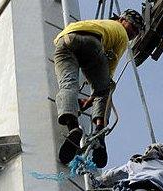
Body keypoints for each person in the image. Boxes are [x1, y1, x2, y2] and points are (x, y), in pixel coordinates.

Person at [53, 9, 144, 168]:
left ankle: (73, 127)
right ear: (122, 20)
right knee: (107, 89)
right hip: (91, 43)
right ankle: (99, 133)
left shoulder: (101, 24)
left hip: (65, 40)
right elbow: (106, 78)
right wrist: (96, 96)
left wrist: (89, 100)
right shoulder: (121, 33)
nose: (133, 33)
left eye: (136, 32)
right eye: (133, 27)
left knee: (68, 85)